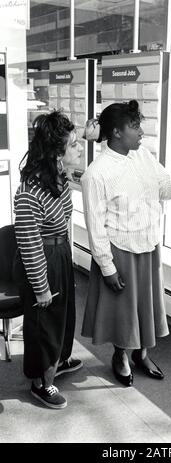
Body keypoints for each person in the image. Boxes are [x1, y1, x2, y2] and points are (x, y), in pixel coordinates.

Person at [80, 100, 171, 387]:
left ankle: (142, 354)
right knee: (123, 312)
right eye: (134, 126)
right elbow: (95, 226)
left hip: (148, 244)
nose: (141, 131)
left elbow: (163, 186)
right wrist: (106, 267)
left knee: (146, 306)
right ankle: (121, 356)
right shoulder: (96, 174)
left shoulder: (143, 156)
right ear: (116, 132)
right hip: (119, 250)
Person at [13, 110, 83, 409]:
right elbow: (29, 245)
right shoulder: (29, 194)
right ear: (57, 153)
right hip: (41, 258)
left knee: (63, 317)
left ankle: (57, 361)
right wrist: (41, 287)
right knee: (45, 323)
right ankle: (42, 382)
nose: (80, 149)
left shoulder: (59, 179)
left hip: (59, 253)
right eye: (75, 145)